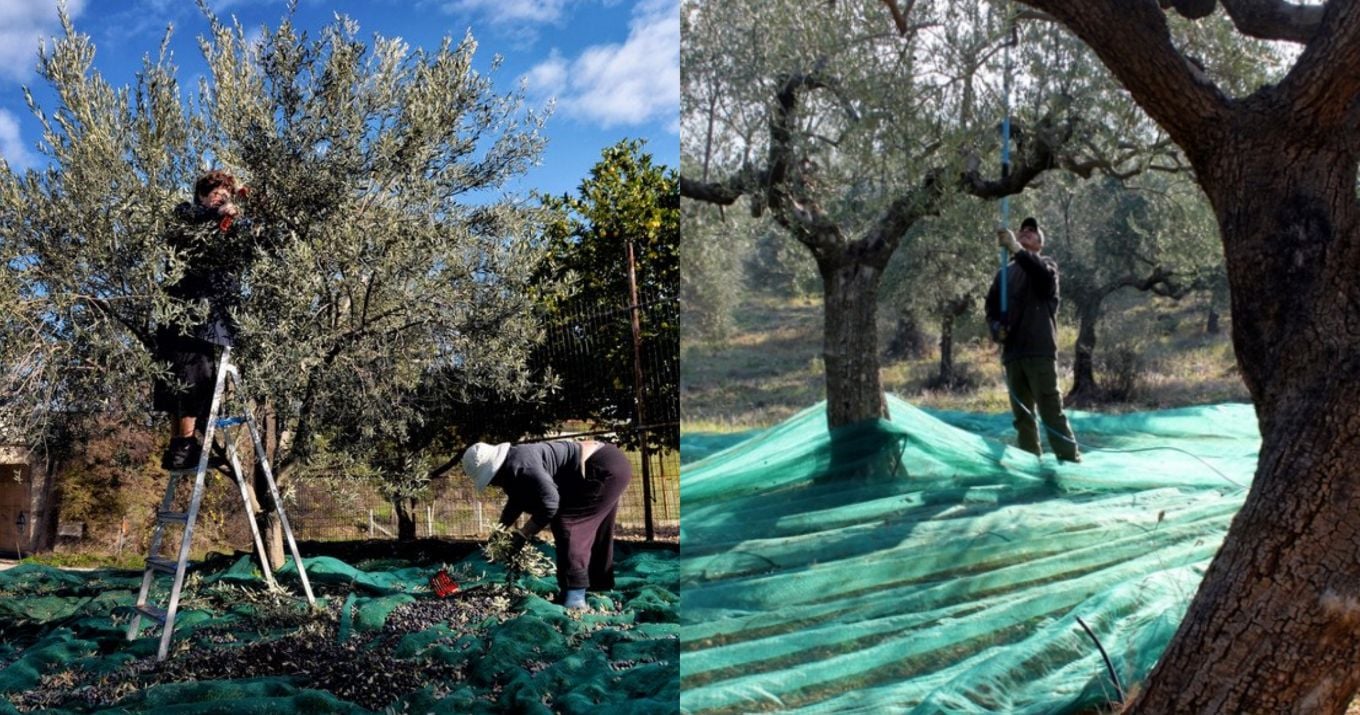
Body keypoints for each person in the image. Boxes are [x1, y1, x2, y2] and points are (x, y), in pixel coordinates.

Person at [152, 170, 256, 470]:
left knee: (191, 380)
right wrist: (217, 215)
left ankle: (181, 448)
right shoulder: (186, 213)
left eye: (227, 193)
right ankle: (183, 446)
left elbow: (249, 243)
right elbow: (185, 225)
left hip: (208, 317)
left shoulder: (229, 227)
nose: (222, 197)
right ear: (201, 195)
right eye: (216, 193)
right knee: (185, 380)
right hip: (185, 315)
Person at [462, 439, 633, 609]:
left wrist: (523, 534)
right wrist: (500, 531)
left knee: (568, 525)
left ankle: (575, 599)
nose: (492, 484)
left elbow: (550, 504)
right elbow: (516, 501)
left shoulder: (522, 466)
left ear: (495, 468)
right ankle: (596, 586)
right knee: (593, 529)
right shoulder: (513, 465)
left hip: (603, 468)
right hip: (607, 464)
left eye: (489, 479)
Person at [984, 216, 1082, 463]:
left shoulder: (1046, 265)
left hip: (1040, 351)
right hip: (1013, 354)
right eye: (1022, 230)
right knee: (1023, 418)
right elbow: (991, 309)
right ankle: (1031, 467)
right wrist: (997, 329)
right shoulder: (1003, 275)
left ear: (1039, 243)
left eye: (1032, 231)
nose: (1026, 232)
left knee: (1051, 411)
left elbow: (1044, 281)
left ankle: (1070, 462)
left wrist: (1016, 249)